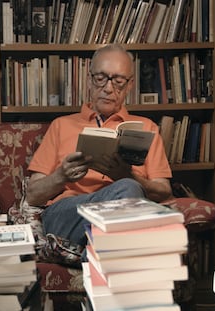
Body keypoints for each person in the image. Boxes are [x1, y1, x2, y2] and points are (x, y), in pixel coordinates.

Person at [26, 44, 172, 253]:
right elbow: (32, 195)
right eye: (101, 78)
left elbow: (164, 191)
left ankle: (92, 258)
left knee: (128, 189)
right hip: (68, 213)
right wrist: (62, 176)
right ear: (89, 80)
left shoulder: (146, 129)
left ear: (130, 85)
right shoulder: (61, 125)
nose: (108, 88)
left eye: (119, 81)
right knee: (128, 195)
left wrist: (128, 175)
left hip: (123, 208)